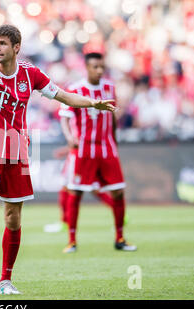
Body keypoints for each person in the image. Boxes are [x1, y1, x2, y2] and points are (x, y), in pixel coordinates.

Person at [0, 25, 116, 296]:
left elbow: (63, 96)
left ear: (16, 47)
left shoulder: (30, 74)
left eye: (1, 43)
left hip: (17, 152)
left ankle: (5, 280)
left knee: (13, 219)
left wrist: (92, 104)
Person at [59, 52, 136, 254]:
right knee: (75, 192)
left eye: (102, 67)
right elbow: (65, 117)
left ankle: (120, 238)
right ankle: (72, 240)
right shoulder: (75, 89)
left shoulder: (110, 88)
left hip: (107, 148)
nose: (99, 70)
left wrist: (115, 139)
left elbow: (112, 117)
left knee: (118, 191)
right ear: (87, 67)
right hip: (84, 149)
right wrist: (69, 137)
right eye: (95, 67)